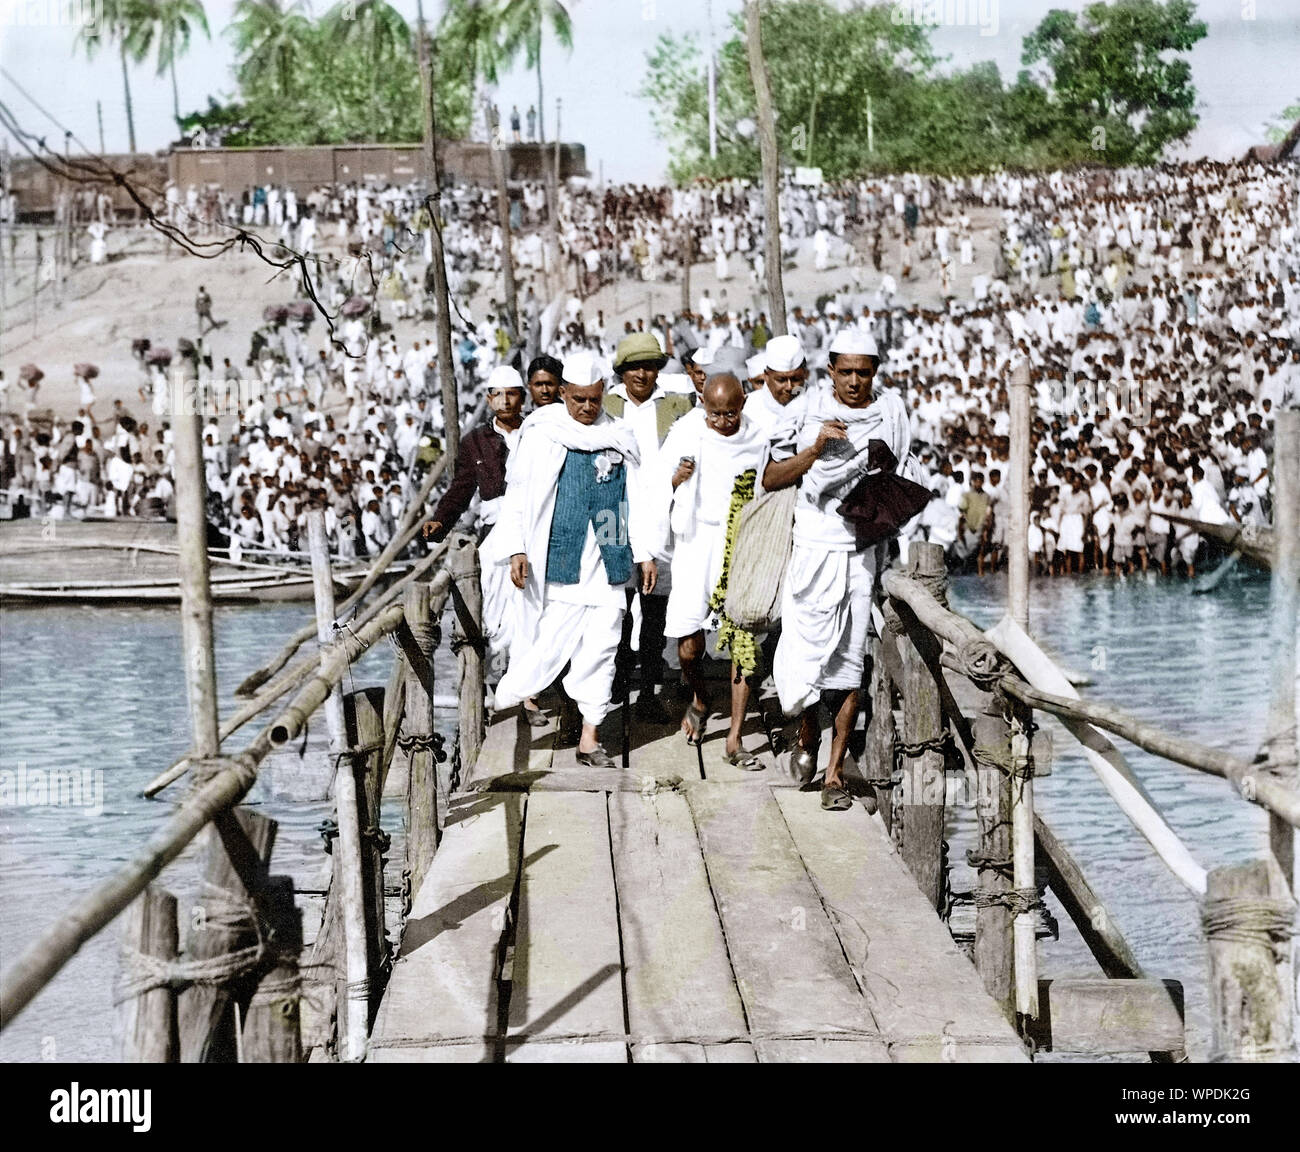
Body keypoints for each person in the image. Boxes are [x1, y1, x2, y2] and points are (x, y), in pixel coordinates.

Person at [764, 328, 910, 812]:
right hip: (812, 548)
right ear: (830, 371)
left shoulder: (890, 412)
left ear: (874, 372)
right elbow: (771, 476)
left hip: (860, 552)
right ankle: (806, 732)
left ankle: (833, 775)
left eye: (862, 372)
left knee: (849, 664)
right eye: (844, 371)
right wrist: (814, 452)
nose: (853, 381)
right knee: (805, 657)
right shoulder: (805, 410)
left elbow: (899, 474)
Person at [493, 353, 658, 769]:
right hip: (560, 557)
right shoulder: (543, 432)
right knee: (553, 640)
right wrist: (517, 547)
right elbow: (519, 496)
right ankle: (522, 692)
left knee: (603, 646)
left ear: (604, 393)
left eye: (594, 399)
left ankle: (591, 737)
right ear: (563, 393)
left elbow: (638, 499)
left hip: (609, 553)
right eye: (578, 399)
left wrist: (645, 552)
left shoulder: (619, 435)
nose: (586, 408)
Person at [660, 373, 769, 767]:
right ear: (703, 406)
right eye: (715, 413)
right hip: (695, 542)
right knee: (688, 645)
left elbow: (769, 484)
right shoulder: (686, 431)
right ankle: (701, 698)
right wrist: (676, 479)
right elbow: (656, 485)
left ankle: (735, 740)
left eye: (731, 413)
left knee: (742, 641)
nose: (723, 421)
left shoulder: (759, 436)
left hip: (740, 543)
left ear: (743, 405)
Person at [603, 332, 692, 721]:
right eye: (634, 366)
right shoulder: (606, 404)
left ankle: (649, 692)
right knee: (615, 610)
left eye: (650, 365)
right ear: (621, 371)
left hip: (661, 519)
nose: (642, 373)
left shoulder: (675, 405)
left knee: (655, 612)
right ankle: (618, 684)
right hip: (615, 518)